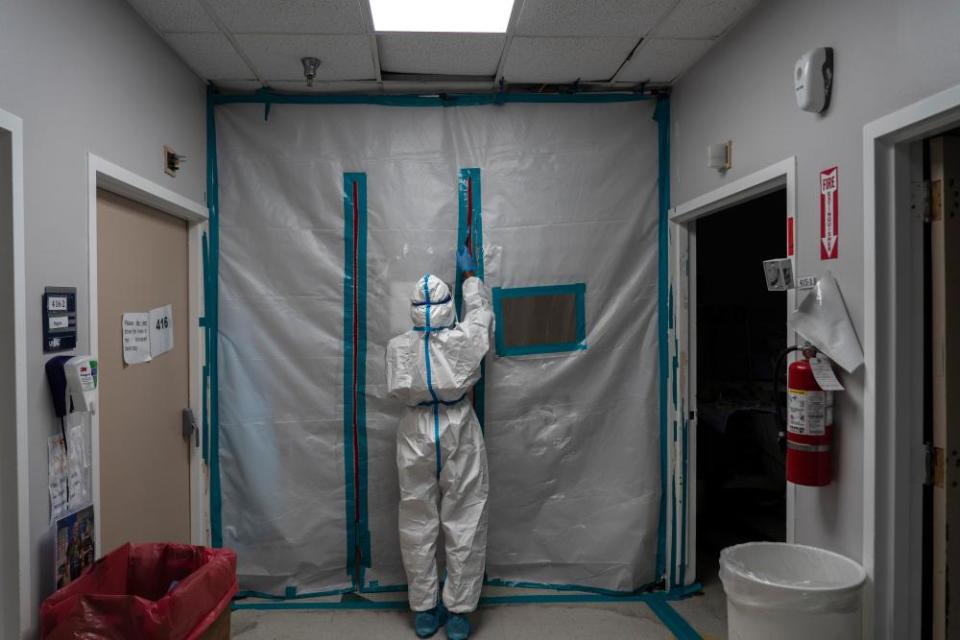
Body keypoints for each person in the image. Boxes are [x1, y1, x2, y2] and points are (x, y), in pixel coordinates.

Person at [385, 246, 494, 640]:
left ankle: (425, 608)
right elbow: (482, 317)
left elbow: (395, 389)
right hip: (457, 423)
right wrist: (470, 280)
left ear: (412, 307)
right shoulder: (464, 338)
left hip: (415, 429)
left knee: (417, 518)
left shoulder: (398, 346)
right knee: (465, 515)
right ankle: (460, 611)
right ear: (449, 307)